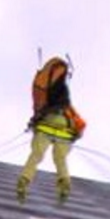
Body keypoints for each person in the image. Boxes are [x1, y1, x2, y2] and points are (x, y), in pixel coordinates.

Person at [17, 56, 86, 203]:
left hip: (46, 124)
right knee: (60, 158)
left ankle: (24, 180)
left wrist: (34, 121)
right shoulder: (63, 90)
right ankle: (64, 184)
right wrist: (76, 133)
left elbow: (41, 110)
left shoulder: (44, 90)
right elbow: (66, 109)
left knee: (36, 154)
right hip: (65, 128)